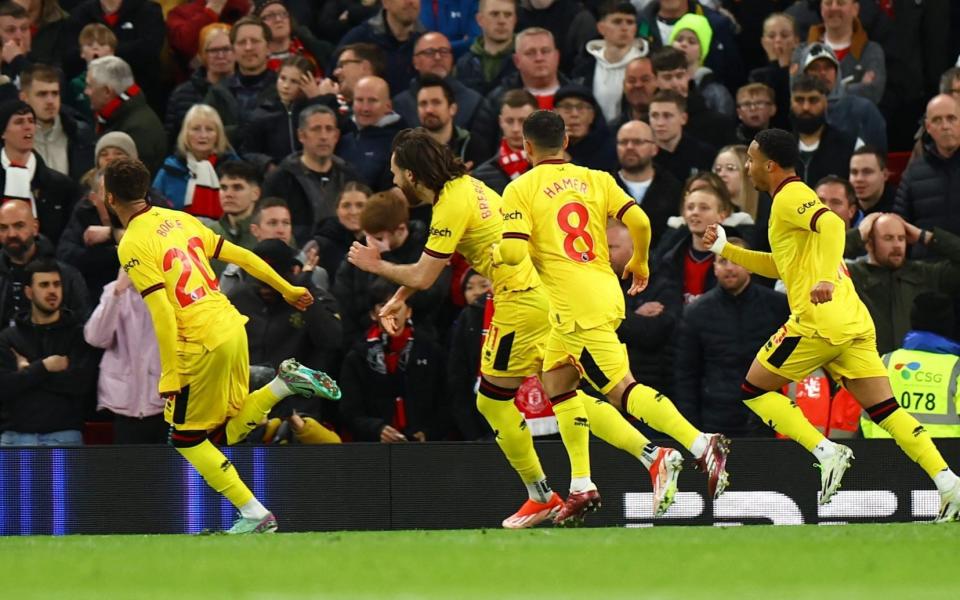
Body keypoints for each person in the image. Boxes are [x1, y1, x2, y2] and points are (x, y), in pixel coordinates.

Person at [347, 127, 724, 527]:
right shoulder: (468, 188)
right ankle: (643, 460)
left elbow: (424, 275)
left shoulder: (451, 205)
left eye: (394, 172)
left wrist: (377, 266)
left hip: (519, 298)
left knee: (493, 400)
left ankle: (543, 494)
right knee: (562, 388)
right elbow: (433, 265)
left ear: (412, 174)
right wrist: (397, 298)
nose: (392, 180)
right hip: (548, 294)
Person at [700, 128, 960, 522]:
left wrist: (823, 277)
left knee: (754, 390)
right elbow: (780, 264)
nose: (748, 167)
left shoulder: (791, 195)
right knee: (887, 411)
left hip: (818, 323)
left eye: (751, 160)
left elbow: (835, 226)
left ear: (770, 165)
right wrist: (726, 250)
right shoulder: (784, 203)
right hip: (853, 322)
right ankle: (949, 484)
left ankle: (826, 451)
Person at [494, 112, 731, 523]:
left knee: (621, 390)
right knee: (559, 385)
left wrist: (498, 252)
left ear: (526, 147)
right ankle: (582, 483)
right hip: (600, 290)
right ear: (566, 139)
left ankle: (697, 444)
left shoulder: (520, 188)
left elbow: (513, 254)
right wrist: (639, 261)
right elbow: (638, 219)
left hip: (575, 306)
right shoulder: (596, 178)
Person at [105, 157, 341, 534]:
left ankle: (254, 513)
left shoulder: (132, 243)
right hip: (231, 325)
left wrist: (170, 373)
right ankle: (283, 384)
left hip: (198, 342)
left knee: (186, 439)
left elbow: (164, 311)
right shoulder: (180, 219)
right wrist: (287, 287)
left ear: (109, 197)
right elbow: (243, 255)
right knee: (220, 433)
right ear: (146, 189)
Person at [674, 237, 789, 437]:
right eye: (723, 261)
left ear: (751, 266)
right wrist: (691, 428)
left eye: (736, 260)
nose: (729, 268)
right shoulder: (696, 312)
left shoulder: (779, 306)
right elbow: (686, 374)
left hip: (768, 415)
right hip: (716, 418)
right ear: (714, 268)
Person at [228, 238, 343, 419]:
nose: (265, 288)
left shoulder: (316, 300)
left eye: (272, 281)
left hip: (298, 412)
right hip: (243, 409)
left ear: (292, 271)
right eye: (260, 281)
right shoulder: (237, 298)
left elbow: (332, 340)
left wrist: (305, 296)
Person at [0, 258, 97, 446]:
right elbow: (4, 387)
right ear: (29, 292)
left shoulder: (78, 335)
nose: (52, 290)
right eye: (44, 285)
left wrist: (27, 372)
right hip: (15, 436)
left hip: (64, 435)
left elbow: (80, 384)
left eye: (56, 284)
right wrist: (44, 367)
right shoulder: (8, 338)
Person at [339, 276, 447, 442]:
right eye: (383, 305)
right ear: (373, 314)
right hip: (374, 451)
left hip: (425, 449)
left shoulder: (431, 351)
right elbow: (349, 410)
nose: (391, 311)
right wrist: (376, 429)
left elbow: (446, 401)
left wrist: (428, 432)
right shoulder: (357, 357)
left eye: (397, 304)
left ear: (409, 311)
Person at [335, 189, 449, 344]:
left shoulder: (430, 252)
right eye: (367, 236)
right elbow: (347, 307)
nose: (371, 243)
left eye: (379, 238)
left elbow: (430, 299)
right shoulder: (356, 256)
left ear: (401, 230)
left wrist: (386, 259)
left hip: (420, 345)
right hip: (365, 347)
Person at [846, 213, 960, 355]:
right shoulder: (853, 274)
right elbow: (818, 260)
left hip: (915, 371)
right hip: (870, 371)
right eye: (888, 238)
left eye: (902, 238)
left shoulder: (923, 273)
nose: (897, 245)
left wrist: (925, 236)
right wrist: (858, 234)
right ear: (869, 243)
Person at [83, 268, 167, 444]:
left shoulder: (171, 293)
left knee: (166, 469)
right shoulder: (114, 292)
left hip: (166, 405)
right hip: (125, 407)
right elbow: (95, 338)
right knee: (129, 470)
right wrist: (117, 293)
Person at [861, 292, 960, 439]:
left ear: (912, 321)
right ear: (949, 324)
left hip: (887, 455)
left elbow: (867, 417)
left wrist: (878, 448)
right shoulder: (956, 368)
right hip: (941, 456)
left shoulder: (885, 362)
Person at [262, 104, 360, 243]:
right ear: (301, 135)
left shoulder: (351, 177)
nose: (324, 136)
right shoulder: (280, 179)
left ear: (336, 136)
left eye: (329, 129)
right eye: (316, 129)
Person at [0, 98, 81, 245]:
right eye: (19, 122)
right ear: (3, 133)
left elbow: (69, 239)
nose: (28, 127)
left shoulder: (61, 186)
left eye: (31, 121)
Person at [0, 198, 89, 327]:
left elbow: (83, 326)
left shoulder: (66, 276)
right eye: (3, 228)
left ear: (35, 227)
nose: (11, 234)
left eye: (19, 225)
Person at [894, 94, 960, 255]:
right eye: (937, 120)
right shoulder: (913, 174)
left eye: (951, 118)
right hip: (925, 273)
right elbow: (899, 224)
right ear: (928, 127)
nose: (945, 126)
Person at [240, 55, 334, 165]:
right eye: (282, 78)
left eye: (294, 81)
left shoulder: (320, 108)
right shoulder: (262, 114)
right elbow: (247, 152)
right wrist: (267, 164)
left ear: (308, 83)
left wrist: (316, 99)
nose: (285, 86)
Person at [84, 55, 165, 175]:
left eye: (90, 86)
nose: (86, 92)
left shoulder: (137, 130)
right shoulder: (122, 117)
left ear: (107, 91)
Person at [153, 104, 239, 218]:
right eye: (196, 129)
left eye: (209, 129)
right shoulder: (169, 170)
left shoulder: (233, 168)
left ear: (218, 135)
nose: (203, 135)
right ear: (186, 133)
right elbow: (153, 210)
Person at [570, 0, 647, 124]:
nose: (624, 28)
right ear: (601, 28)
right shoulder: (585, 66)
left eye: (630, 22)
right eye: (617, 22)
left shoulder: (646, 64)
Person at [796, 0, 886, 104]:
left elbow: (872, 93)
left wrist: (817, 91)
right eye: (828, 3)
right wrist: (855, 86)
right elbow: (798, 93)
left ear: (855, 9)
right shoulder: (801, 51)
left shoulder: (871, 51)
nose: (834, 8)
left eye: (841, 3)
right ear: (821, 8)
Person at [19, 63, 94, 183]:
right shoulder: (10, 137)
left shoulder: (80, 133)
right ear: (24, 98)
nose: (50, 101)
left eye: (55, 93)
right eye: (42, 94)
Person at [391, 32, 482, 130]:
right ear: (415, 62)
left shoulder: (473, 102)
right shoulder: (400, 105)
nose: (438, 57)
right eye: (429, 52)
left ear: (451, 59)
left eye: (444, 51)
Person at [614, 119, 682, 249]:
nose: (629, 147)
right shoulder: (602, 186)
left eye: (638, 142)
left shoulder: (673, 188)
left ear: (654, 149)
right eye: (623, 142)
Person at [165, 23, 235, 147]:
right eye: (213, 50)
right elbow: (172, 139)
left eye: (226, 49)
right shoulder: (181, 94)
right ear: (202, 54)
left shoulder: (246, 89)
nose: (220, 55)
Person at [335, 0, 424, 95]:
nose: (410, 2)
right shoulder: (359, 38)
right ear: (386, 2)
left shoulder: (427, 45)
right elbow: (333, 83)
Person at [335, 76, 405, 191]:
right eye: (359, 100)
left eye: (372, 101)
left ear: (388, 106)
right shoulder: (342, 137)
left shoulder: (401, 143)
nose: (365, 108)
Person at [789, 74, 857, 185]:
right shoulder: (780, 148)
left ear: (825, 102)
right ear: (791, 103)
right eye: (799, 100)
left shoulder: (850, 145)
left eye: (813, 100)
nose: (806, 107)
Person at [667, 12, 734, 117]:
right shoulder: (658, 85)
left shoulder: (716, 93)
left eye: (692, 41)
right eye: (679, 39)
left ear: (702, 51)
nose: (684, 44)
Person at [471, 89, 537, 194]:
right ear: (500, 122)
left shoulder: (552, 169)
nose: (515, 129)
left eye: (523, 121)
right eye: (509, 121)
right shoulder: (480, 177)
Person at [413, 74, 484, 166]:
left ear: (452, 109)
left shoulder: (472, 145)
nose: (429, 110)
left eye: (436, 102)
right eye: (423, 104)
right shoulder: (409, 148)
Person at [648, 89, 715, 184]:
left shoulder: (704, 155)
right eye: (654, 116)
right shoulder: (644, 156)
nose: (660, 123)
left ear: (683, 118)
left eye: (667, 116)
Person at [208, 160, 261, 275]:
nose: (228, 194)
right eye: (223, 188)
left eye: (237, 188)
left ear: (255, 194)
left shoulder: (270, 231)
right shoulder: (207, 233)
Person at [313, 182, 370, 287]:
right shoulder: (321, 245)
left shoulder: (381, 244)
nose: (353, 211)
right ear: (337, 210)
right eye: (346, 205)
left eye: (360, 205)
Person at [454, 0, 516, 95]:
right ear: (480, 19)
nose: (502, 21)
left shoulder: (527, 59)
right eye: (495, 14)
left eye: (508, 15)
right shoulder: (463, 65)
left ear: (515, 20)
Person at [253, 0, 330, 74]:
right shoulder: (255, 59)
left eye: (283, 14)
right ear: (258, 23)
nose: (278, 19)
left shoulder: (315, 48)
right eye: (270, 16)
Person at [552, 84, 616, 172]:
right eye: (567, 107)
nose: (574, 114)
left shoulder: (609, 150)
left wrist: (566, 158)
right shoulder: (546, 146)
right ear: (555, 113)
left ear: (592, 115)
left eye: (581, 107)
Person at [166, 0, 250, 66]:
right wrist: (212, 9)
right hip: (198, 81)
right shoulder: (179, 13)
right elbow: (185, 47)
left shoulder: (244, 7)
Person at [65, 22, 116, 119]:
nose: (95, 48)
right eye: (89, 44)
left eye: (102, 44)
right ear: (82, 53)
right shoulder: (76, 84)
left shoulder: (121, 82)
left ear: (112, 51)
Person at [713, 144, 759, 221]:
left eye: (730, 168)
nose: (721, 174)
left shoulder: (767, 207)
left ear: (748, 172)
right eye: (718, 169)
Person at [849, 145, 893, 216]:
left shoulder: (901, 207)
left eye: (867, 172)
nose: (859, 179)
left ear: (885, 175)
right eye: (854, 172)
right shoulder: (844, 205)